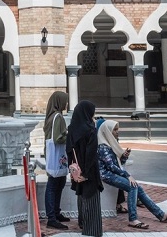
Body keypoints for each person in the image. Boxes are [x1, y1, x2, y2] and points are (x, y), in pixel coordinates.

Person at [97, 119, 167, 229]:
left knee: (138, 188)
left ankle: (161, 215)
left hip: (112, 173)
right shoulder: (103, 146)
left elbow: (119, 163)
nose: (117, 132)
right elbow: (111, 167)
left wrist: (124, 155)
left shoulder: (111, 144)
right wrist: (127, 175)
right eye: (114, 130)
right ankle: (133, 219)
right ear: (107, 131)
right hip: (106, 175)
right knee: (132, 186)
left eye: (117, 129)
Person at [66, 100, 103, 237]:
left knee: (81, 196)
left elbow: (69, 150)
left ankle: (83, 223)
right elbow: (91, 154)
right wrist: (87, 173)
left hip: (77, 170)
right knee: (91, 198)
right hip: (88, 171)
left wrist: (73, 171)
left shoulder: (72, 129)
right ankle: (92, 230)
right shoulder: (90, 130)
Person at [44, 91, 70, 230]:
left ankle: (55, 213)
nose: (66, 103)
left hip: (52, 155)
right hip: (57, 156)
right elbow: (58, 139)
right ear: (59, 101)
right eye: (65, 101)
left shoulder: (50, 117)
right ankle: (52, 217)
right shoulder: (58, 117)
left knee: (58, 183)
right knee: (54, 185)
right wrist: (69, 135)